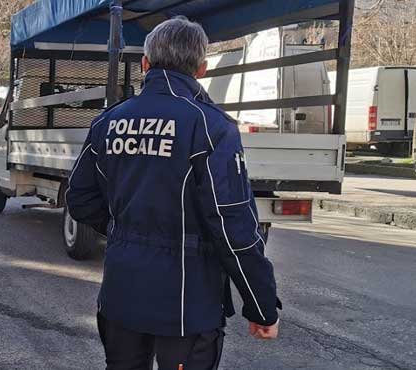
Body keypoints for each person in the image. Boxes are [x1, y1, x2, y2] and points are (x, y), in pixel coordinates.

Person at [66, 17, 281, 370]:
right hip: (186, 307)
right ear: (201, 68)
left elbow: (80, 198)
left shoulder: (108, 122)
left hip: (121, 297)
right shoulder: (211, 127)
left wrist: (127, 233)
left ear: (145, 64)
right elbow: (235, 229)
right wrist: (262, 305)